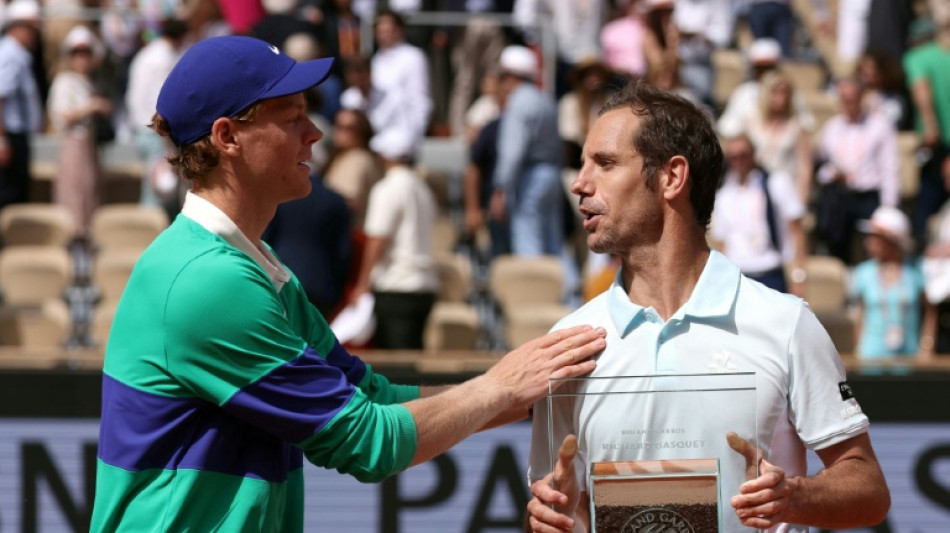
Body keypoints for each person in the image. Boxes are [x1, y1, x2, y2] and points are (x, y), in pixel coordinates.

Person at [89, 35, 609, 531]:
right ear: (228, 138)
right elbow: (367, 441)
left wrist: (528, 395)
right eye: (292, 118)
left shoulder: (250, 265)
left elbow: (373, 397)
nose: (314, 132)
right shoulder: (210, 281)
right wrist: (497, 389)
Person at [525, 81, 890, 532]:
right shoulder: (566, 345)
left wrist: (793, 497)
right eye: (583, 165)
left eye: (604, 163)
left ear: (672, 177)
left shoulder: (786, 323)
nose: (580, 184)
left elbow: (869, 490)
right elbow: (559, 510)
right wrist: (548, 520)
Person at [815, 77, 900, 265]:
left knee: (871, 251)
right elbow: (822, 166)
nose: (849, 104)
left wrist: (888, 208)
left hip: (868, 196)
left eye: (853, 98)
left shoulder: (880, 125)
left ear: (862, 98)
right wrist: (832, 174)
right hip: (840, 197)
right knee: (837, 249)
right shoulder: (832, 128)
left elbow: (889, 168)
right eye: (845, 99)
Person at [712, 133, 807, 296]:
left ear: (753, 155)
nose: (739, 161)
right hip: (737, 275)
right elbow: (722, 243)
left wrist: (798, 276)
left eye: (744, 155)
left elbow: (796, 231)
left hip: (771, 272)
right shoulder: (723, 195)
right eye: (733, 157)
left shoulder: (777, 183)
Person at [47, 25, 113, 240]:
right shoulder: (64, 81)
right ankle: (72, 242)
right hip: (73, 143)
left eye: (86, 53)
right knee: (73, 196)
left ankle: (86, 243)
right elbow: (62, 115)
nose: (82, 58)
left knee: (90, 196)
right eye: (77, 53)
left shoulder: (91, 82)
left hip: (88, 144)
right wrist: (91, 106)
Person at [851, 206, 936, 362]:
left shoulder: (915, 272)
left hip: (910, 360)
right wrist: (858, 350)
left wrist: (927, 347)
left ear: (892, 240)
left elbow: (930, 312)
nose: (868, 242)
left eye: (875, 237)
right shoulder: (862, 273)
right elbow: (859, 316)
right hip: (870, 360)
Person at [903, 1, 950, 242]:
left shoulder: (917, 58)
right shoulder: (936, 57)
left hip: (939, 143)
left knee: (928, 206)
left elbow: (922, 91)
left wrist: (931, 126)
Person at [744, 69, 814, 202]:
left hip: (786, 191)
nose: (781, 98)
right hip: (757, 189)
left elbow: (805, 166)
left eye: (785, 93)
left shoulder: (796, 126)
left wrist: (802, 199)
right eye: (776, 92)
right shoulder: (751, 121)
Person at [0, 0, 43, 212]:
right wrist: (2, 141)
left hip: (16, 136)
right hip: (10, 136)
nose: (35, 34)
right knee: (9, 198)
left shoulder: (18, 54)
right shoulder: (9, 54)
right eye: (32, 27)